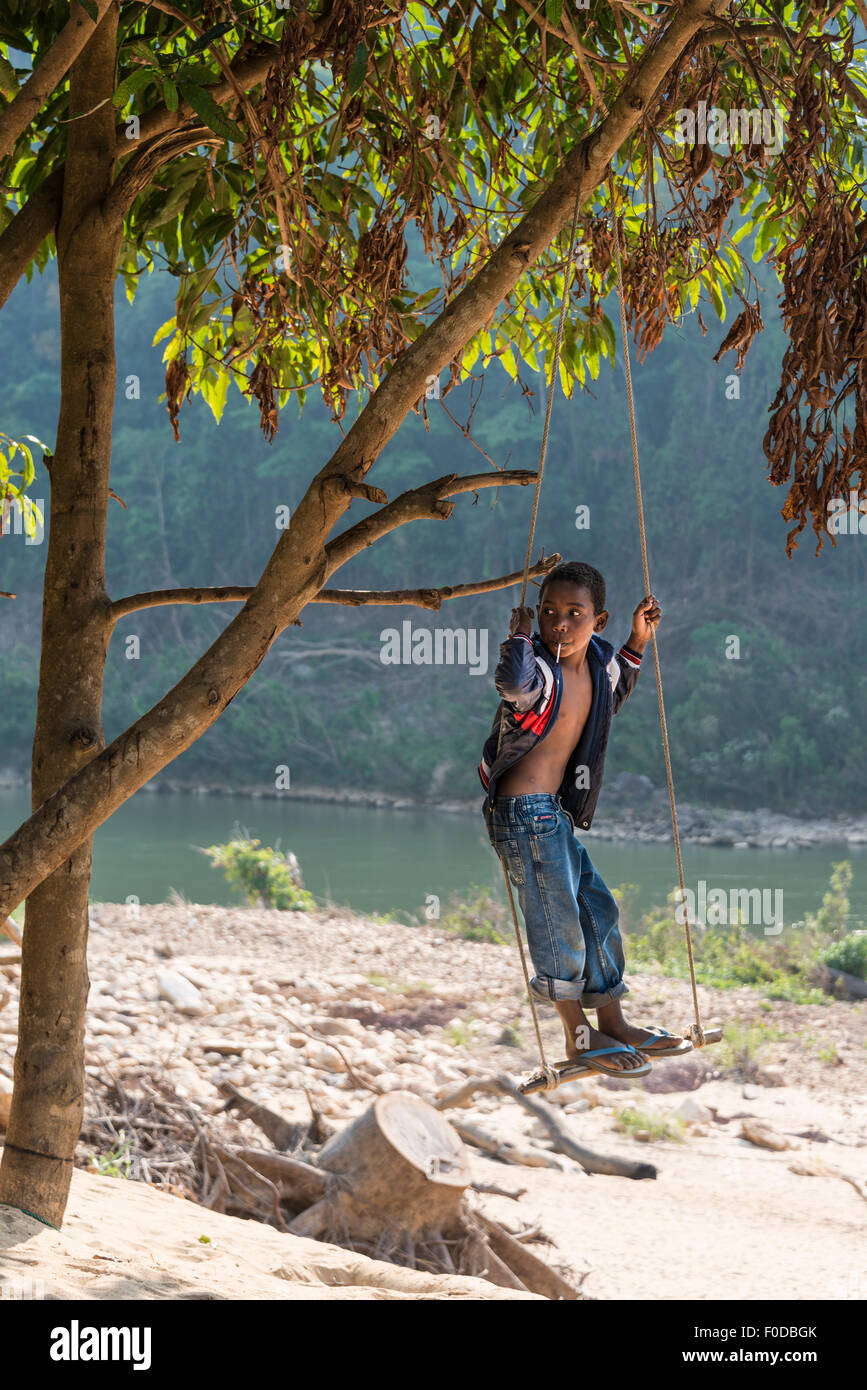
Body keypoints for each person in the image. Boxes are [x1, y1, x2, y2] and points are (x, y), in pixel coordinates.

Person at [478, 560, 689, 1076]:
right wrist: (519, 639)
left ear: (599, 619)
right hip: (522, 813)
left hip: (553, 815)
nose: (561, 624)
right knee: (559, 926)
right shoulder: (538, 674)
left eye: (575, 613)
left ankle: (612, 1022)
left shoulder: (595, 664)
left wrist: (638, 638)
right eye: (550, 612)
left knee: (597, 910)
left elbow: (616, 688)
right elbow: (512, 683)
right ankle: (577, 1036)